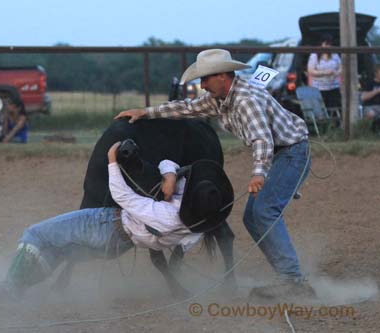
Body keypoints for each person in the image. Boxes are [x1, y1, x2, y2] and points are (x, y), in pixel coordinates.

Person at [115, 49, 313, 298]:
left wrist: (259, 173)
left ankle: (292, 280)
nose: (202, 84)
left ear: (222, 76)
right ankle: (289, 277)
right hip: (283, 154)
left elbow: (262, 138)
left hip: (292, 153)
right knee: (253, 217)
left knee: (263, 212)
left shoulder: (245, 100)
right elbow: (186, 108)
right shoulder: (221, 99)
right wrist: (145, 112)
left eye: (205, 79)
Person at [0, 142, 234, 301]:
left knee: (35, 234)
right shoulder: (194, 225)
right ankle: (19, 287)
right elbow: (170, 163)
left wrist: (111, 160)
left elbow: (123, 197)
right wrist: (170, 175)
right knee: (63, 251)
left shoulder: (165, 214)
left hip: (103, 224)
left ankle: (10, 287)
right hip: (121, 244)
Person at [306, 34, 342, 110]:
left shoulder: (335, 55)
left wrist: (335, 73)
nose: (328, 46)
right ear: (321, 44)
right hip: (319, 88)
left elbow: (341, 67)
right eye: (326, 44)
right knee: (321, 110)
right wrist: (325, 73)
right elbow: (310, 71)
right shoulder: (314, 56)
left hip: (334, 88)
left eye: (329, 44)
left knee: (335, 109)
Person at [361, 64, 380, 130]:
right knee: (371, 114)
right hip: (370, 107)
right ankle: (368, 132)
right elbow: (363, 97)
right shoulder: (369, 83)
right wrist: (377, 91)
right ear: (376, 73)